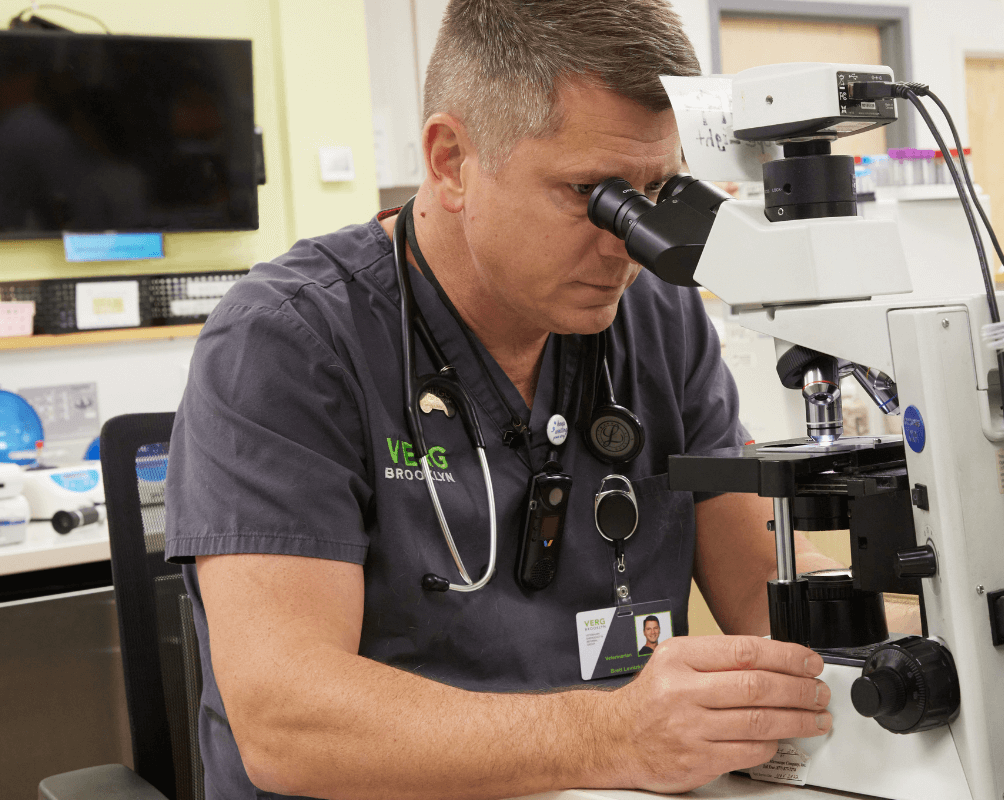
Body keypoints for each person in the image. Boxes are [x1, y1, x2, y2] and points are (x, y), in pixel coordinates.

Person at [164, 2, 914, 798]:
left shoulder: (659, 319)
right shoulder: (287, 342)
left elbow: (768, 589)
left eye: (655, 191)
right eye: (588, 192)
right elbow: (287, 722)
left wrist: (951, 624)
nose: (629, 243)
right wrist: (613, 735)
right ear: (452, 160)